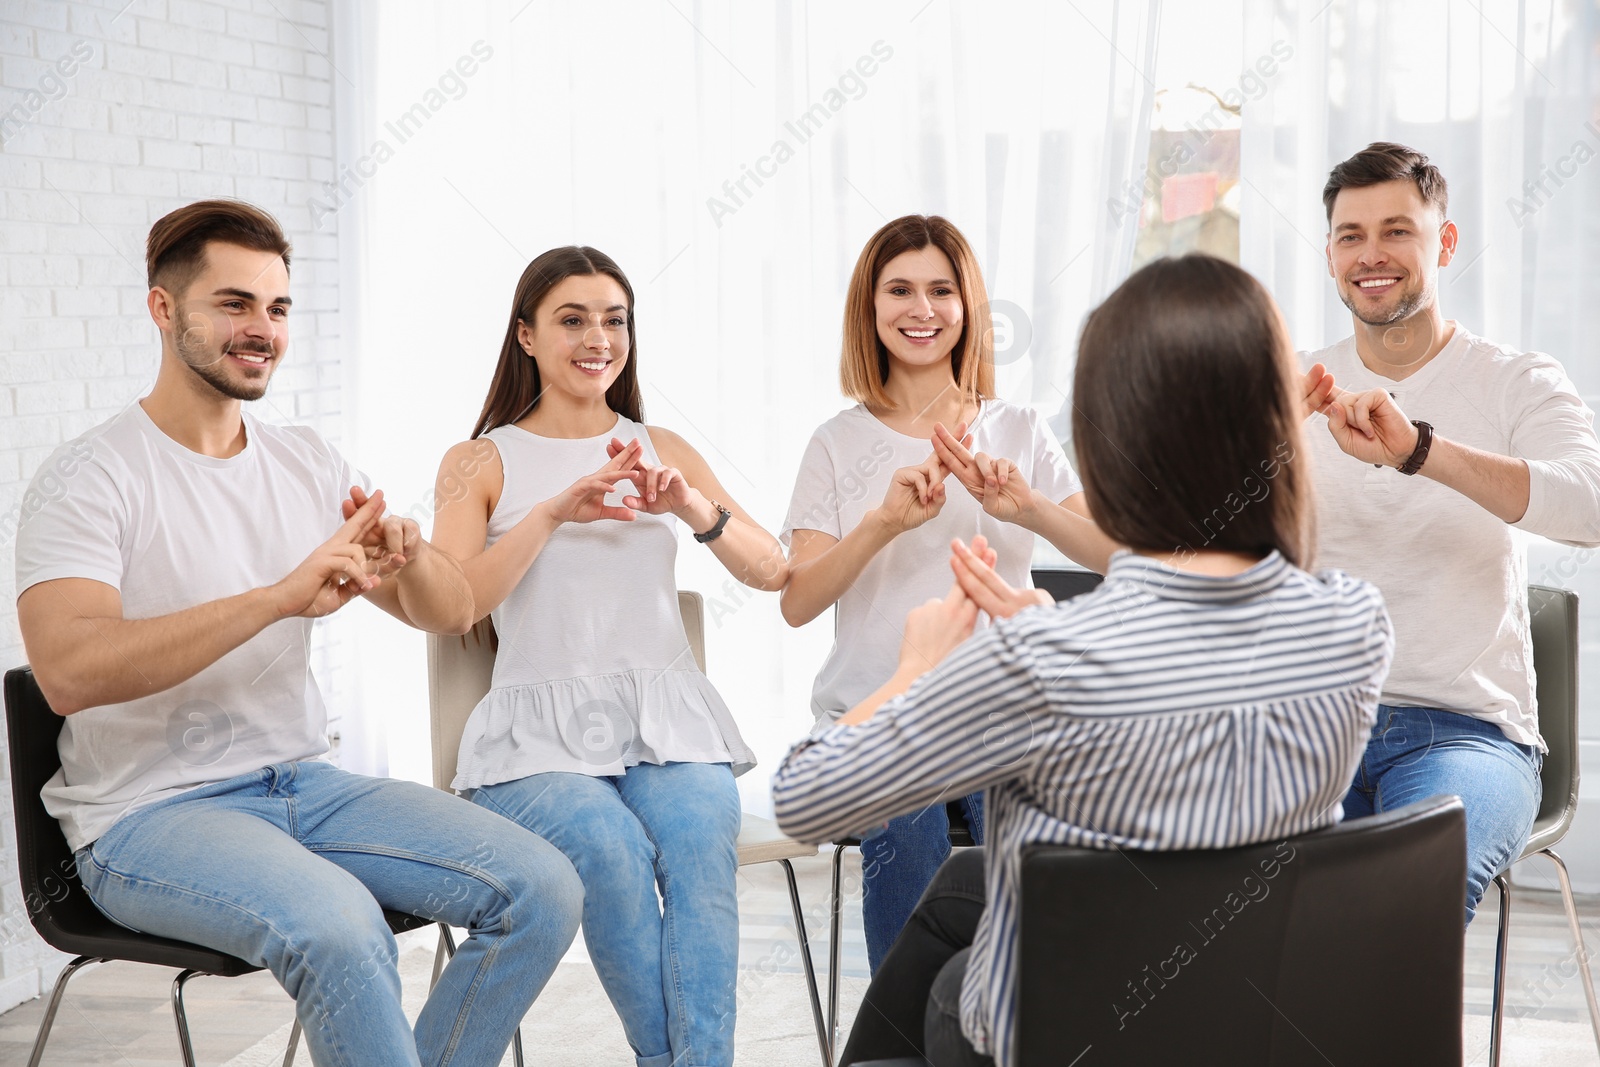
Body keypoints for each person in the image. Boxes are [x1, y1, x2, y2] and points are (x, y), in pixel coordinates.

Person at [772, 254, 1394, 1067]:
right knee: (963, 889)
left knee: (956, 986)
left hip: (1067, 1036)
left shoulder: (1041, 662)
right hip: (1245, 1019)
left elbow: (804, 799)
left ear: (1109, 443)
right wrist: (1047, 631)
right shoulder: (1353, 621)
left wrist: (910, 672)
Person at [13, 200, 583, 1067]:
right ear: (164, 310)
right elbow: (68, 672)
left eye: (278, 309)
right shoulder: (90, 477)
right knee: (343, 927)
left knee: (543, 886)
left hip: (299, 786)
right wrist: (277, 598)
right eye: (234, 304)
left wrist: (411, 552)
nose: (262, 330)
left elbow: (451, 611)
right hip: (145, 817)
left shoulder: (309, 462)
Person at [431, 246, 788, 1067]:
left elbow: (773, 571)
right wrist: (553, 513)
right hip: (534, 737)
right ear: (525, 335)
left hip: (667, 718)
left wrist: (692, 504)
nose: (598, 336)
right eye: (572, 318)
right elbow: (454, 603)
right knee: (611, 851)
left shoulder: (659, 445)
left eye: (614, 318)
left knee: (700, 849)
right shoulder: (480, 460)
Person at [779, 214, 1117, 972]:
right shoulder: (836, 442)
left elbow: (1115, 554)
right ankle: (905, 1041)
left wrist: (1026, 507)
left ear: (969, 307)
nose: (921, 309)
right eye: (899, 289)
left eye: (941, 289)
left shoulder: (1020, 428)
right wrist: (883, 524)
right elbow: (797, 602)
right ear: (869, 308)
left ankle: (1012, 1021)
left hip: (1001, 704)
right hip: (879, 707)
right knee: (907, 811)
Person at [1300, 141, 1600, 924]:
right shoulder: (1295, 384)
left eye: (1397, 230)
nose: (1372, 255)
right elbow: (1185, 544)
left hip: (1467, 736)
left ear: (1446, 241)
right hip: (1311, 728)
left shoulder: (1515, 379)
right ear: (1329, 253)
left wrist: (1419, 451)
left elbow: (1591, 507)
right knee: (1212, 889)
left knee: (1405, 893)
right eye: (1350, 235)